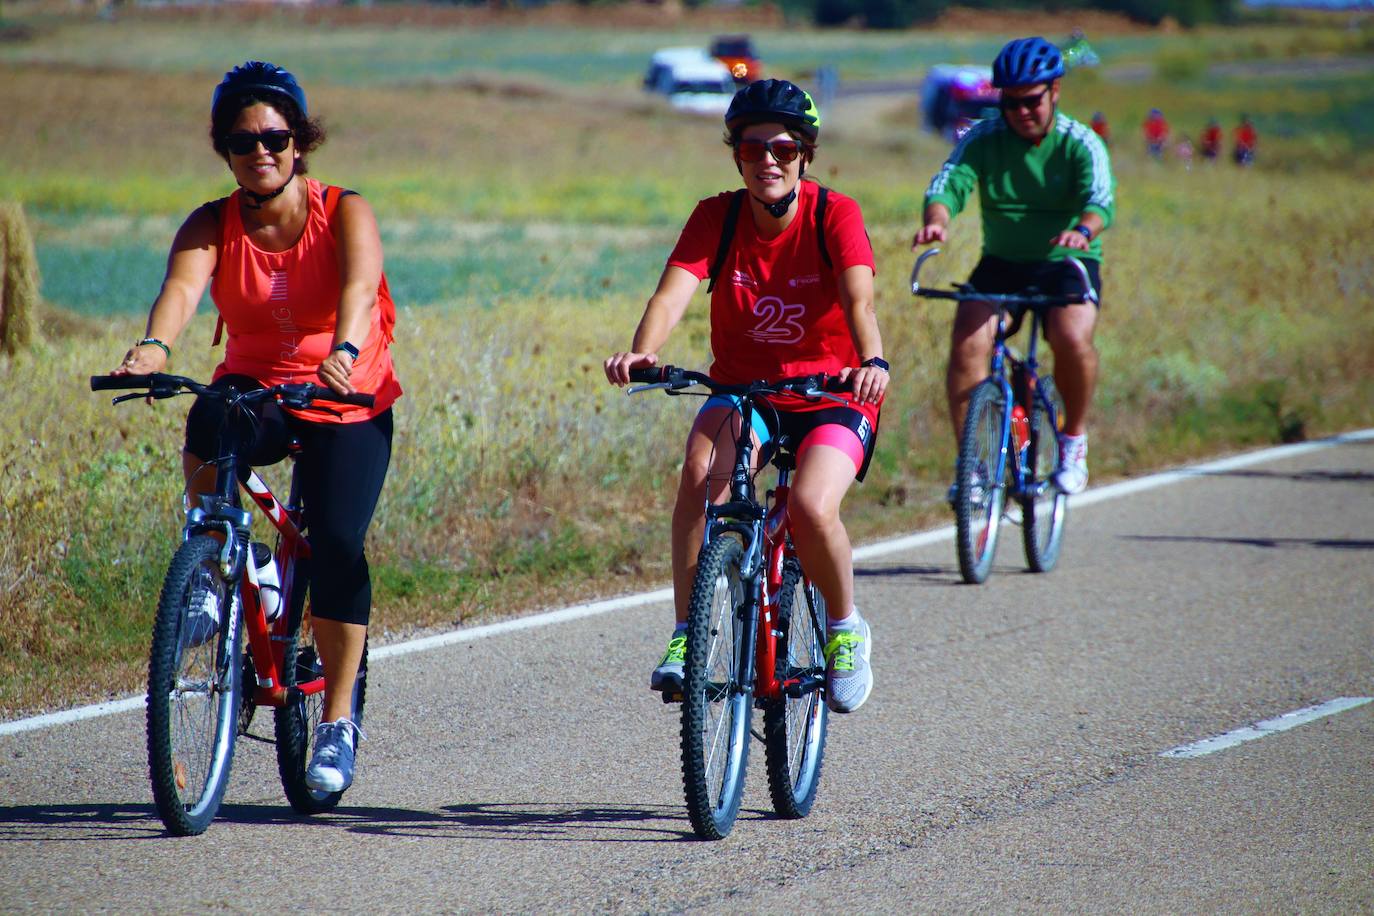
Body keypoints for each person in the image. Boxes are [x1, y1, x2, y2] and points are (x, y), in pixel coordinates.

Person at [109, 61, 402, 794]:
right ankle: (223, 565)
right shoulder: (213, 222)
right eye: (243, 142)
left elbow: (361, 288)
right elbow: (181, 288)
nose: (260, 150)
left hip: (346, 392)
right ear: (225, 151)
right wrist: (155, 347)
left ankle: (336, 723)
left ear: (300, 141)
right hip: (259, 386)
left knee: (336, 542)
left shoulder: (344, 210)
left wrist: (343, 350)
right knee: (210, 414)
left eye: (275, 136)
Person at [604, 79, 888, 714]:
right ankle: (688, 633)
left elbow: (859, 298)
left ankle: (845, 630)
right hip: (747, 393)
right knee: (701, 473)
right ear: (736, 155)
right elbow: (671, 293)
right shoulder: (717, 216)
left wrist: (871, 360)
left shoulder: (833, 214)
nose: (768, 160)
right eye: (753, 147)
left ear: (805, 155)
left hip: (832, 392)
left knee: (813, 507)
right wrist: (643, 351)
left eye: (784, 150)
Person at [912, 36, 1115, 497]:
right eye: (1010, 102)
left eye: (1031, 101)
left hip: (1067, 261)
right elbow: (950, 182)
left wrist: (1081, 232)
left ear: (1054, 92)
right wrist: (937, 221)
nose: (1021, 112)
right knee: (968, 341)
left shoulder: (1080, 143)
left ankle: (1073, 439)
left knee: (1070, 337)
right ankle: (975, 469)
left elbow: (1099, 200)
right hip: (1003, 262)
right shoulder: (984, 139)